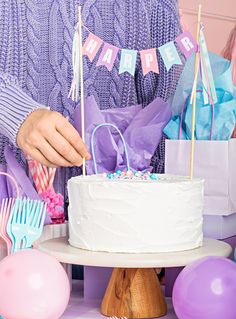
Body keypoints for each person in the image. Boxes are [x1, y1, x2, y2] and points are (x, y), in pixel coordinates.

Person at [0, 0, 183, 205]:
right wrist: (13, 110)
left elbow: (167, 102)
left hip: (119, 208)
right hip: (11, 208)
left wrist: (155, 198)